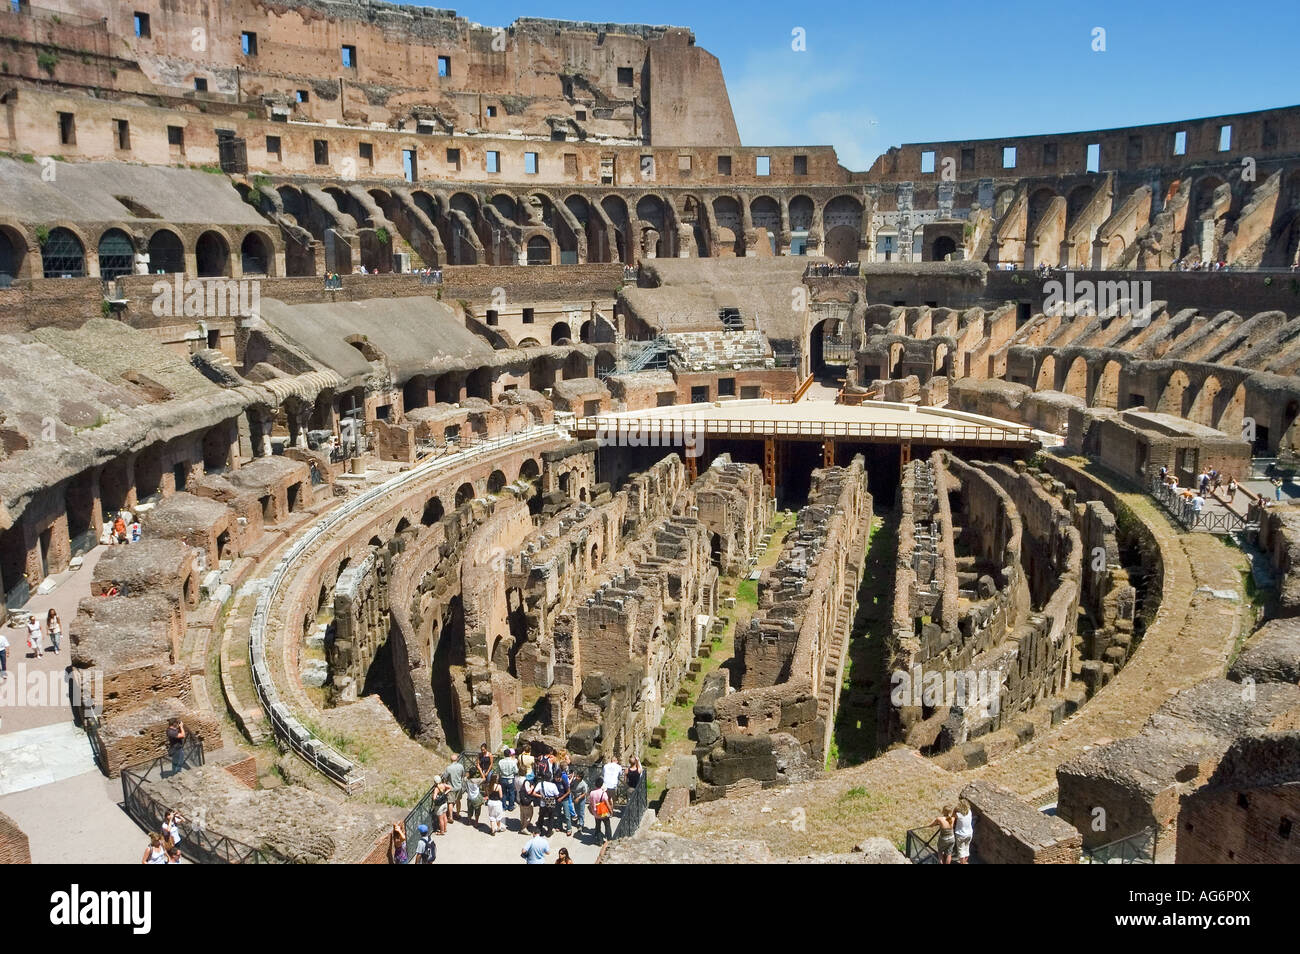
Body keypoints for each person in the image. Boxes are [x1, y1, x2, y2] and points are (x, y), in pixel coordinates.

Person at [444, 755, 466, 822]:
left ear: (450, 760)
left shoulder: (449, 768)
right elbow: (463, 775)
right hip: (459, 787)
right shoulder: (461, 766)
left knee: (450, 802)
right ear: (457, 759)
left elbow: (445, 777)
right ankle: (457, 814)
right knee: (458, 801)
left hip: (451, 788)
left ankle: (451, 817)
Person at [953, 799, 974, 864]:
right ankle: (965, 862)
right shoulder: (970, 812)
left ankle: (962, 863)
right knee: (966, 848)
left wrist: (955, 809)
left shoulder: (959, 814)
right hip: (969, 833)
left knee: (961, 850)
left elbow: (952, 816)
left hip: (960, 834)